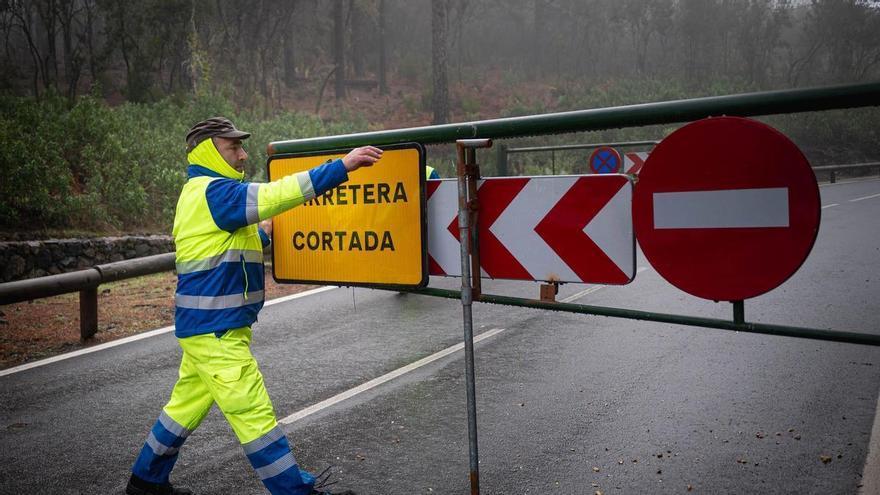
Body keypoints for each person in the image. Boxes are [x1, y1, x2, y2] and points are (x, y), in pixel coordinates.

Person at [126, 117, 381, 495]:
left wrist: (263, 232)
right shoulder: (214, 192)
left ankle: (145, 481)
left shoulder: (207, 195)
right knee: (254, 415)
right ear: (209, 150)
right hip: (216, 331)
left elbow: (227, 247)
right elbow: (277, 193)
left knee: (183, 409)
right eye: (233, 148)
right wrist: (341, 167)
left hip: (205, 327)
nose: (243, 154)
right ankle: (294, 491)